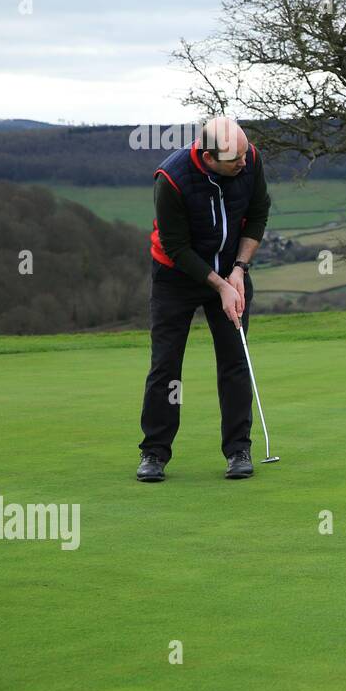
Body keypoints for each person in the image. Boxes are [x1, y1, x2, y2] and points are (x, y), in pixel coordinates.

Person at [136, 117, 271, 482]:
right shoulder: (172, 179)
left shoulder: (249, 159)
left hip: (231, 270)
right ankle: (154, 453)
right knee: (166, 365)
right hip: (176, 277)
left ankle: (238, 449)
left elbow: (258, 214)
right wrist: (220, 286)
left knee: (234, 360)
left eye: (245, 155)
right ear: (209, 156)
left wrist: (238, 271)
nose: (244, 164)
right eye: (235, 160)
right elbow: (176, 247)